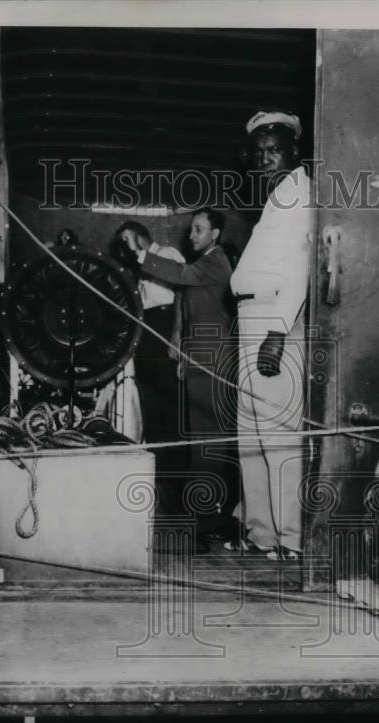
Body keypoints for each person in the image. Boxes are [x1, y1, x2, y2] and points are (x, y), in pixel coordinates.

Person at [228, 110, 314, 560]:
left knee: (278, 435)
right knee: (252, 436)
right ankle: (262, 535)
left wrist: (278, 331)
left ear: (294, 152)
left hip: (271, 321)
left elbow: (299, 268)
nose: (265, 159)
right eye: (259, 153)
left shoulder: (299, 193)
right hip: (253, 319)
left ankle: (292, 540)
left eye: (274, 150)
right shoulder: (278, 196)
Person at [126, 208, 239, 545]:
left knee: (210, 443)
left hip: (214, 363)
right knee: (199, 441)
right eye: (192, 229)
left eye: (199, 230)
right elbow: (185, 306)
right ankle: (205, 515)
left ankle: (212, 518)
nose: (192, 236)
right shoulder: (204, 261)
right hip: (198, 362)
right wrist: (181, 348)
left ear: (215, 234)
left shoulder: (215, 261)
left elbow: (181, 275)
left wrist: (143, 255)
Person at [115, 222, 186, 503]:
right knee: (151, 408)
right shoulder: (136, 267)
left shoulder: (168, 253)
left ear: (140, 235)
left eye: (127, 238)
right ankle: (161, 481)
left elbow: (182, 292)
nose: (125, 245)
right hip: (147, 331)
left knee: (171, 408)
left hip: (166, 326)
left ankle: (180, 483)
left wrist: (177, 336)